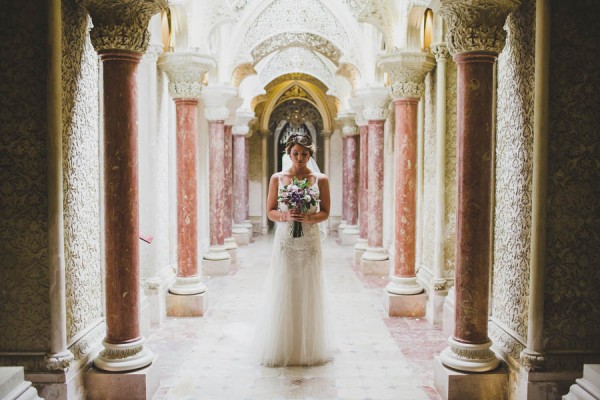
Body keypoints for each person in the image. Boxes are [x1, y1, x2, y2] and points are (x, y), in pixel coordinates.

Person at [252, 132, 334, 367]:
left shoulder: (321, 179)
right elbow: (270, 211)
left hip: (309, 241)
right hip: (286, 241)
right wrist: (286, 215)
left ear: (311, 154)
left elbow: (326, 211)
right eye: (295, 153)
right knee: (285, 285)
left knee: (309, 286)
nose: (299, 157)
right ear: (288, 153)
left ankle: (309, 344)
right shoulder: (278, 178)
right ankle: (284, 344)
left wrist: (309, 219)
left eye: (304, 153)